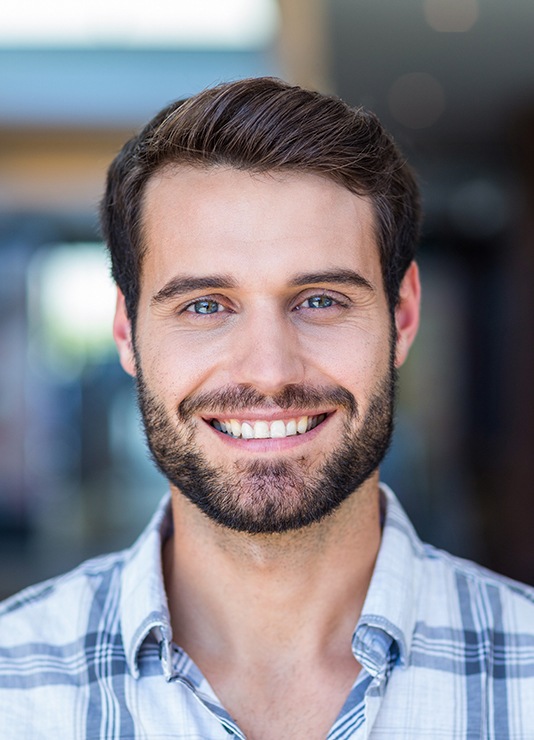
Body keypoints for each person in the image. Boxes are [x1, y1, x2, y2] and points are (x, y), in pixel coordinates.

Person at [1, 77, 533, 740]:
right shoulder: (12, 686)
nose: (269, 373)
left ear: (402, 317)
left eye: (320, 300)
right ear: (126, 333)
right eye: (204, 306)